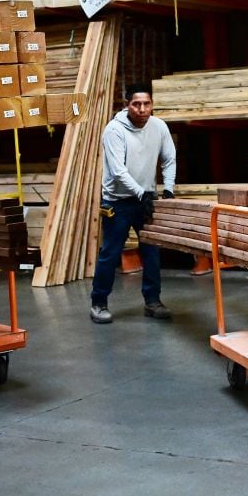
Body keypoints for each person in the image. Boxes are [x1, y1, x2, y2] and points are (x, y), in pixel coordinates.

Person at [89, 83, 176, 324]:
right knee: (110, 253)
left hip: (145, 201)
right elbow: (118, 171)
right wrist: (142, 193)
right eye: (136, 104)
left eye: (146, 104)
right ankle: (98, 303)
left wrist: (168, 189)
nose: (142, 109)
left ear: (152, 105)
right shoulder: (114, 131)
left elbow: (169, 159)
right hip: (118, 203)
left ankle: (152, 301)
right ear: (127, 104)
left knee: (152, 252)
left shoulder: (159, 127)